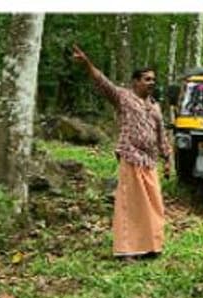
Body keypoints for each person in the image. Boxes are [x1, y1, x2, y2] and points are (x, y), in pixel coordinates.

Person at [72, 45, 170, 259]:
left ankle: (151, 246)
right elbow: (102, 82)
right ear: (135, 82)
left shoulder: (155, 106)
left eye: (153, 79)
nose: (151, 82)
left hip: (150, 161)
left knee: (153, 205)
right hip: (131, 156)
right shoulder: (124, 97)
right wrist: (87, 63)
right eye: (147, 79)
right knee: (131, 204)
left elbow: (161, 133)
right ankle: (127, 249)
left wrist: (168, 157)